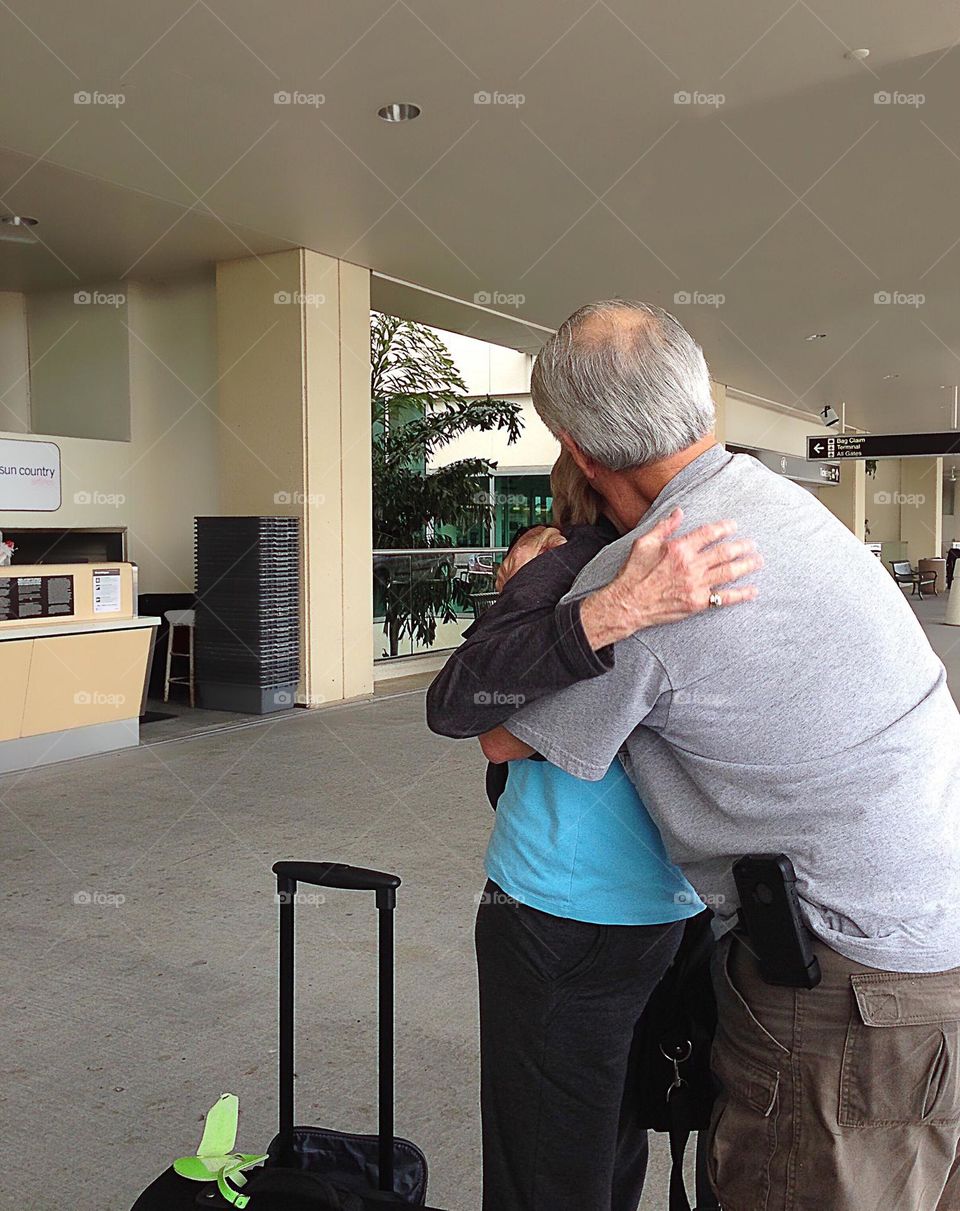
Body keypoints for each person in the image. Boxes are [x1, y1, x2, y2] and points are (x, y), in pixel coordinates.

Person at [479, 299, 960, 1211]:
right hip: (935, 940)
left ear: (578, 450)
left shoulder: (654, 575)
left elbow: (498, 727)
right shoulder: (791, 512)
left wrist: (546, 596)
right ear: (701, 408)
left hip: (851, 989)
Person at [426, 450, 761, 1211]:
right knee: (614, 1132)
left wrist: (527, 596)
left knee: (550, 1156)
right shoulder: (700, 565)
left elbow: (490, 730)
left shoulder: (575, 571)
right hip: (679, 901)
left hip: (565, 909)